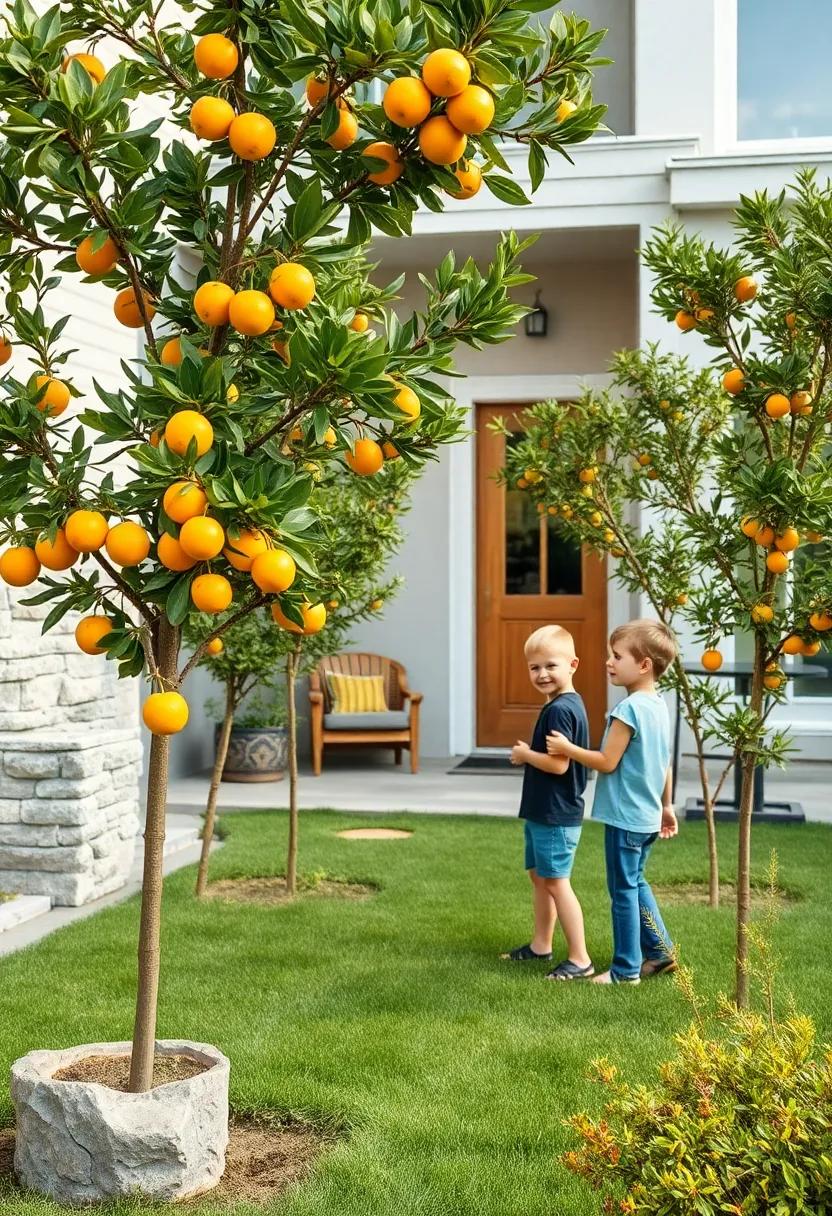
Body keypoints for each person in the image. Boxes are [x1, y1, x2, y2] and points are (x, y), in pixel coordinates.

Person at [546, 619, 678, 985]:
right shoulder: (658, 705)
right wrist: (667, 806)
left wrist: (568, 748)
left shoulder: (629, 710)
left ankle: (624, 970)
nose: (609, 662)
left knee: (622, 892)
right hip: (647, 815)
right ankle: (660, 952)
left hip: (626, 818)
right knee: (636, 883)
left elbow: (606, 761)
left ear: (644, 665)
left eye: (617, 656)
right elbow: (664, 762)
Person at [503, 624, 594, 980]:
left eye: (550, 665)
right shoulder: (561, 704)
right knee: (540, 877)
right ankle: (541, 945)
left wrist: (525, 754)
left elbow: (559, 765)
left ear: (573, 664)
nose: (542, 674)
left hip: (557, 814)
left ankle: (580, 959)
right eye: (534, 667)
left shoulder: (560, 710)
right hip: (544, 811)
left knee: (556, 882)